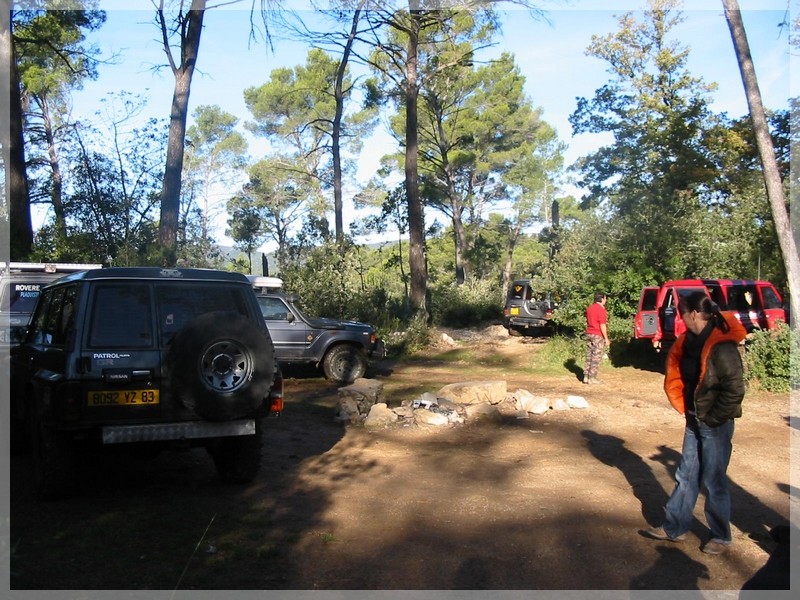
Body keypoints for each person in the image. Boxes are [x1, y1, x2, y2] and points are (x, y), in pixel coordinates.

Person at [643, 291, 746, 555]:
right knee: (686, 475)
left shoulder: (722, 346)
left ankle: (720, 536)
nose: (681, 319)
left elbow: (734, 390)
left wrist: (713, 418)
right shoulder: (689, 340)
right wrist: (692, 413)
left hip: (715, 423)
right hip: (693, 419)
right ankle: (674, 527)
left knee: (714, 480)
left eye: (682, 314)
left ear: (693, 314)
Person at [584, 291, 609, 384]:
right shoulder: (601, 309)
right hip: (597, 334)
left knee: (589, 355)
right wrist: (606, 338)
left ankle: (586, 376)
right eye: (605, 298)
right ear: (602, 299)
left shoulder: (590, 308)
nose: (606, 300)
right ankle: (592, 377)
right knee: (596, 356)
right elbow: (602, 325)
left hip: (589, 333)